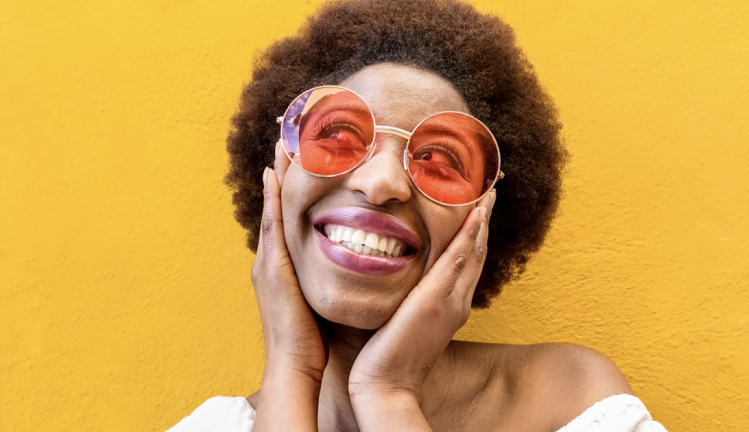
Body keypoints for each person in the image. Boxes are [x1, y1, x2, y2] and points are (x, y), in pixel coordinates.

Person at [169, 0, 667, 430]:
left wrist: (388, 394)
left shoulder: (568, 400)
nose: (381, 183)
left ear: (485, 213)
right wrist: (290, 369)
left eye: (438, 159)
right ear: (277, 171)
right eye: (338, 135)